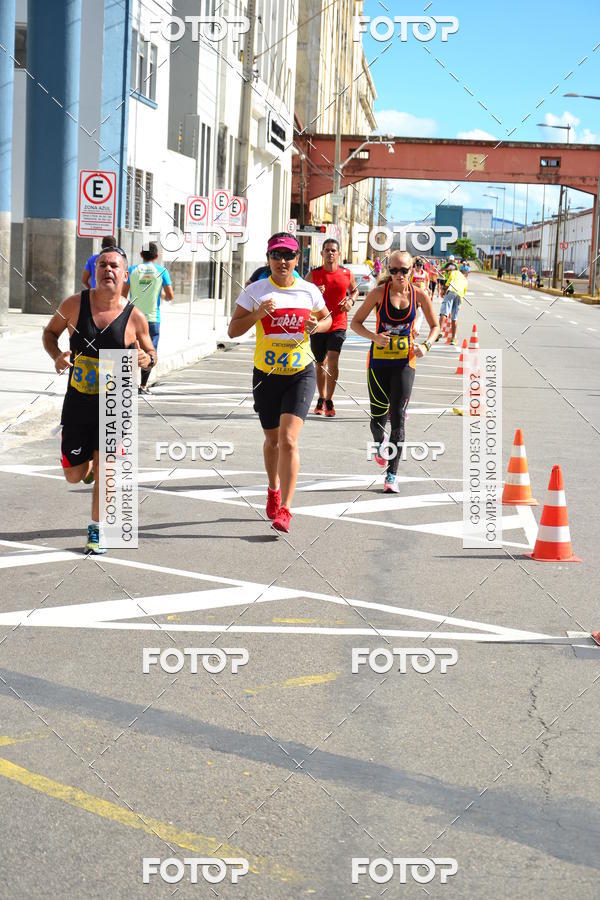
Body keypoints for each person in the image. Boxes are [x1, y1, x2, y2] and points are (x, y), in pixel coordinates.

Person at [42, 247, 156, 554]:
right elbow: (50, 333)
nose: (107, 269)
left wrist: (145, 359)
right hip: (78, 403)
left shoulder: (135, 317)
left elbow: (151, 355)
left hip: (115, 404)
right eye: (102, 264)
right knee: (74, 474)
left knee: (108, 467)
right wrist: (57, 355)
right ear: (94, 271)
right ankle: (85, 463)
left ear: (124, 274)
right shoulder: (74, 305)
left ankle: (97, 530)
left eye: (114, 266)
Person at [227, 233, 330, 533]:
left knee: (288, 440)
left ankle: (285, 508)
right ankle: (272, 488)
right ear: (268, 258)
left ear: (298, 259)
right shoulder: (255, 290)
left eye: (288, 256)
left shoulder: (309, 291)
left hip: (300, 374)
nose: (282, 261)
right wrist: (258, 313)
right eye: (276, 255)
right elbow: (233, 330)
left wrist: (317, 325)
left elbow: (328, 319)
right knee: (272, 441)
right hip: (266, 376)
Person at [351, 251, 439, 493]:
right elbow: (355, 323)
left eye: (404, 270)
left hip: (405, 363)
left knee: (398, 417)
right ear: (388, 271)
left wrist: (426, 346)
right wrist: (374, 337)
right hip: (378, 363)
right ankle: (380, 444)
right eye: (394, 270)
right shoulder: (379, 293)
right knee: (378, 418)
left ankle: (391, 475)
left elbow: (435, 326)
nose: (399, 275)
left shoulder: (419, 295)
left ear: (413, 270)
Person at [306, 239, 358, 416]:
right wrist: (313, 291)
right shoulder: (313, 275)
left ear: (339, 253)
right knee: (320, 362)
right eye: (327, 250)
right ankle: (320, 397)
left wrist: (350, 301)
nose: (330, 253)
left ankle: (329, 399)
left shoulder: (346, 273)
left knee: (333, 359)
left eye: (333, 250)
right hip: (319, 324)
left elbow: (355, 291)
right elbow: (302, 294)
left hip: (338, 323)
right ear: (321, 253)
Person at [123, 242, 174, 394]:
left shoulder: (132, 270)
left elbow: (122, 295)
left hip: (131, 318)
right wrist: (160, 294)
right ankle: (143, 386)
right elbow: (170, 295)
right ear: (157, 256)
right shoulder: (161, 271)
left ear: (141, 254)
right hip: (152, 319)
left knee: (129, 350)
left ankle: (128, 386)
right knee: (149, 353)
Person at [438, 264, 468, 345]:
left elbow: (448, 282)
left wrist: (443, 291)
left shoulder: (455, 272)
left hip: (452, 291)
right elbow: (464, 293)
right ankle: (453, 339)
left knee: (444, 312)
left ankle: (438, 331)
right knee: (454, 317)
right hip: (459, 296)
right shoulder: (465, 280)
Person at [410, 258, 429, 335]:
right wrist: (414, 284)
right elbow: (408, 282)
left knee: (420, 313)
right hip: (412, 294)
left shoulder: (425, 273)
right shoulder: (412, 272)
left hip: (420, 295)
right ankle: (412, 328)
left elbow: (427, 282)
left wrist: (427, 288)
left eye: (420, 265)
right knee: (413, 312)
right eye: (417, 265)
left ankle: (416, 329)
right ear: (415, 265)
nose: (419, 267)